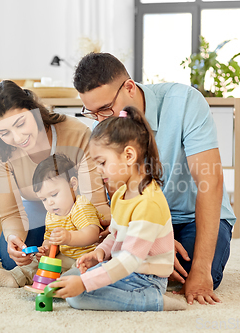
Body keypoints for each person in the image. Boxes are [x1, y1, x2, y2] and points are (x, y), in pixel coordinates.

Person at [71, 52, 236, 305]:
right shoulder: (104, 127)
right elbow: (117, 196)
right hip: (143, 220)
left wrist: (200, 270)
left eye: (106, 109)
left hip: (192, 217)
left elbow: (210, 183)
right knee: (103, 262)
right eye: (93, 113)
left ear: (129, 88)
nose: (101, 121)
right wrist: (153, 242)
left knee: (190, 275)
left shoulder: (185, 102)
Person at [50, 107, 186, 311]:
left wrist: (85, 283)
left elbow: (130, 259)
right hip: (124, 267)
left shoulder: (148, 202)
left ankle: (152, 300)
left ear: (129, 155)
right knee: (68, 280)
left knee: (78, 297)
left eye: (102, 162)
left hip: (145, 278)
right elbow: (116, 234)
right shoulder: (121, 193)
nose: (98, 170)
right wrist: (100, 252)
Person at [0, 80, 110, 271]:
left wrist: (109, 228)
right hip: (34, 208)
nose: (17, 138)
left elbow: (96, 202)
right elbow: (10, 214)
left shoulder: (75, 133)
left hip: (79, 209)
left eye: (21, 123)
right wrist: (13, 238)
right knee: (14, 261)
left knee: (96, 250)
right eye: (4, 132)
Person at [0, 153, 104, 288]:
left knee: (77, 271)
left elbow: (93, 234)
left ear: (73, 184)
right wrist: (46, 249)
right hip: (64, 257)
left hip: (85, 259)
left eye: (54, 194)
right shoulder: (52, 214)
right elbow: (49, 239)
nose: (50, 203)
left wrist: (69, 237)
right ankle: (16, 276)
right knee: (40, 265)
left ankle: (64, 284)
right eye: (44, 199)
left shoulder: (81, 206)